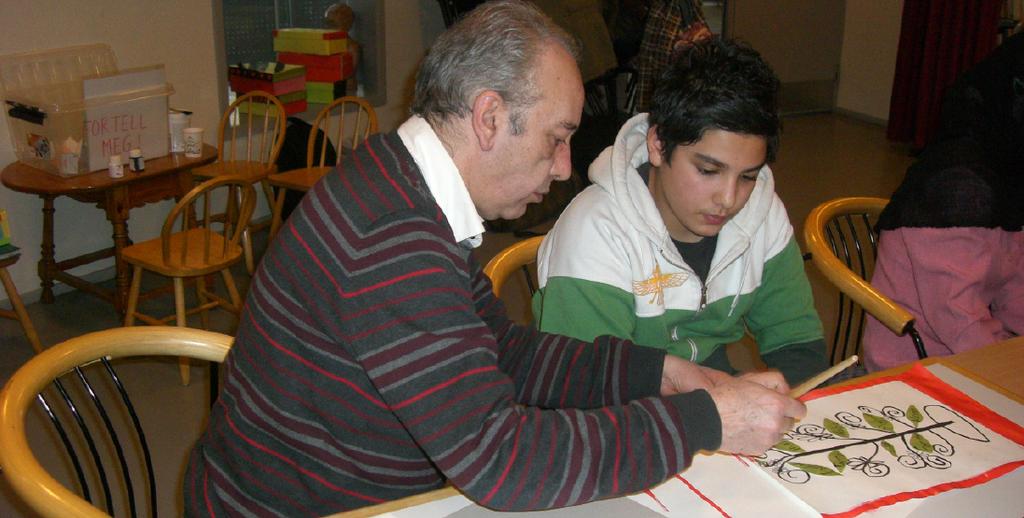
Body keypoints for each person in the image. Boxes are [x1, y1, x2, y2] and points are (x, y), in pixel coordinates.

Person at [184, 2, 805, 515]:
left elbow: (502, 350)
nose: (565, 167)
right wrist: (702, 421)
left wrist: (658, 374)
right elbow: (502, 461)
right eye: (556, 137)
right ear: (489, 117)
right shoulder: (395, 239)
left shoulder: (399, 180)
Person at [533, 37, 827, 386]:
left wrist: (782, 389)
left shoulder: (762, 213)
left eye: (747, 176)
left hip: (710, 401)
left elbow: (798, 344)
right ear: (658, 145)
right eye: (707, 170)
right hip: (618, 413)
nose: (729, 199)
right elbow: (590, 390)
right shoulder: (594, 232)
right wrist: (721, 405)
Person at [863, 32, 1024, 371]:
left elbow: (1017, 296)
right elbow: (958, 323)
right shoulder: (957, 190)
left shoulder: (1010, 171)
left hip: (981, 354)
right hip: (920, 371)